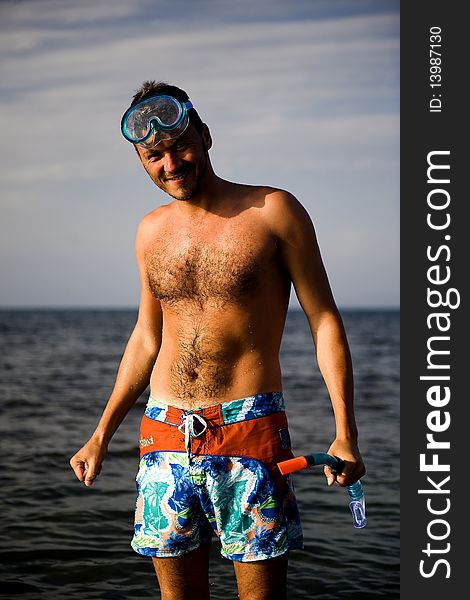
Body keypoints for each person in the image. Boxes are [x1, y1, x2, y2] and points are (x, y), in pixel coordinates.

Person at [70, 81, 366, 600]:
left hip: (249, 432)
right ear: (143, 162)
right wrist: (101, 434)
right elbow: (145, 337)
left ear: (206, 136)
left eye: (180, 144)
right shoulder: (149, 231)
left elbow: (323, 319)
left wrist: (346, 430)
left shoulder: (273, 210)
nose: (171, 162)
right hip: (164, 435)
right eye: (154, 155)